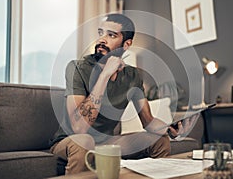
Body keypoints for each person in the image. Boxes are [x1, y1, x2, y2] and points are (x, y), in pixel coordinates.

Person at [50, 13, 198, 175]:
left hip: (106, 141)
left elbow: (148, 122)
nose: (102, 39)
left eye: (111, 35)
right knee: (84, 142)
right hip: (71, 140)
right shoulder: (77, 68)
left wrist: (170, 129)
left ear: (126, 44)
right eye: (101, 33)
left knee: (158, 140)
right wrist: (105, 75)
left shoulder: (132, 76)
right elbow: (79, 128)